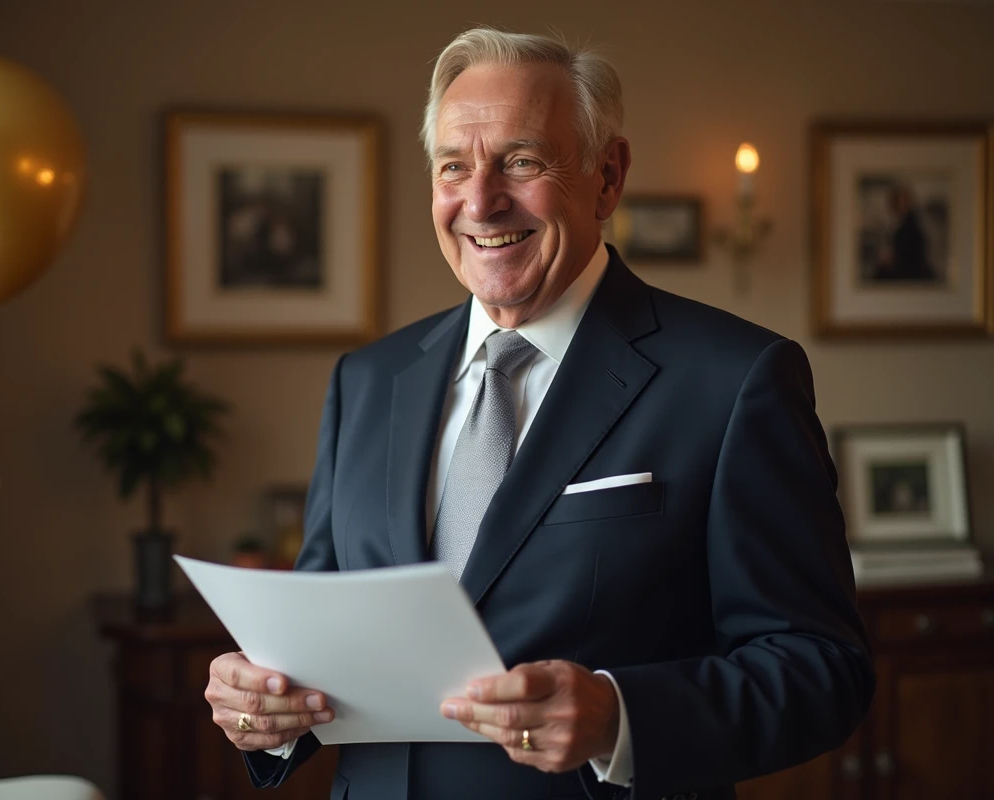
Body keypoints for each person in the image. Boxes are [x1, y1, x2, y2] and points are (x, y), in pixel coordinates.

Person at [203, 27, 873, 800]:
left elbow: (822, 669)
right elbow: (316, 642)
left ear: (607, 178)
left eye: (521, 162)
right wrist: (265, 706)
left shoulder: (734, 379)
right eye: (454, 166)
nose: (480, 200)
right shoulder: (368, 380)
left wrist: (619, 718)